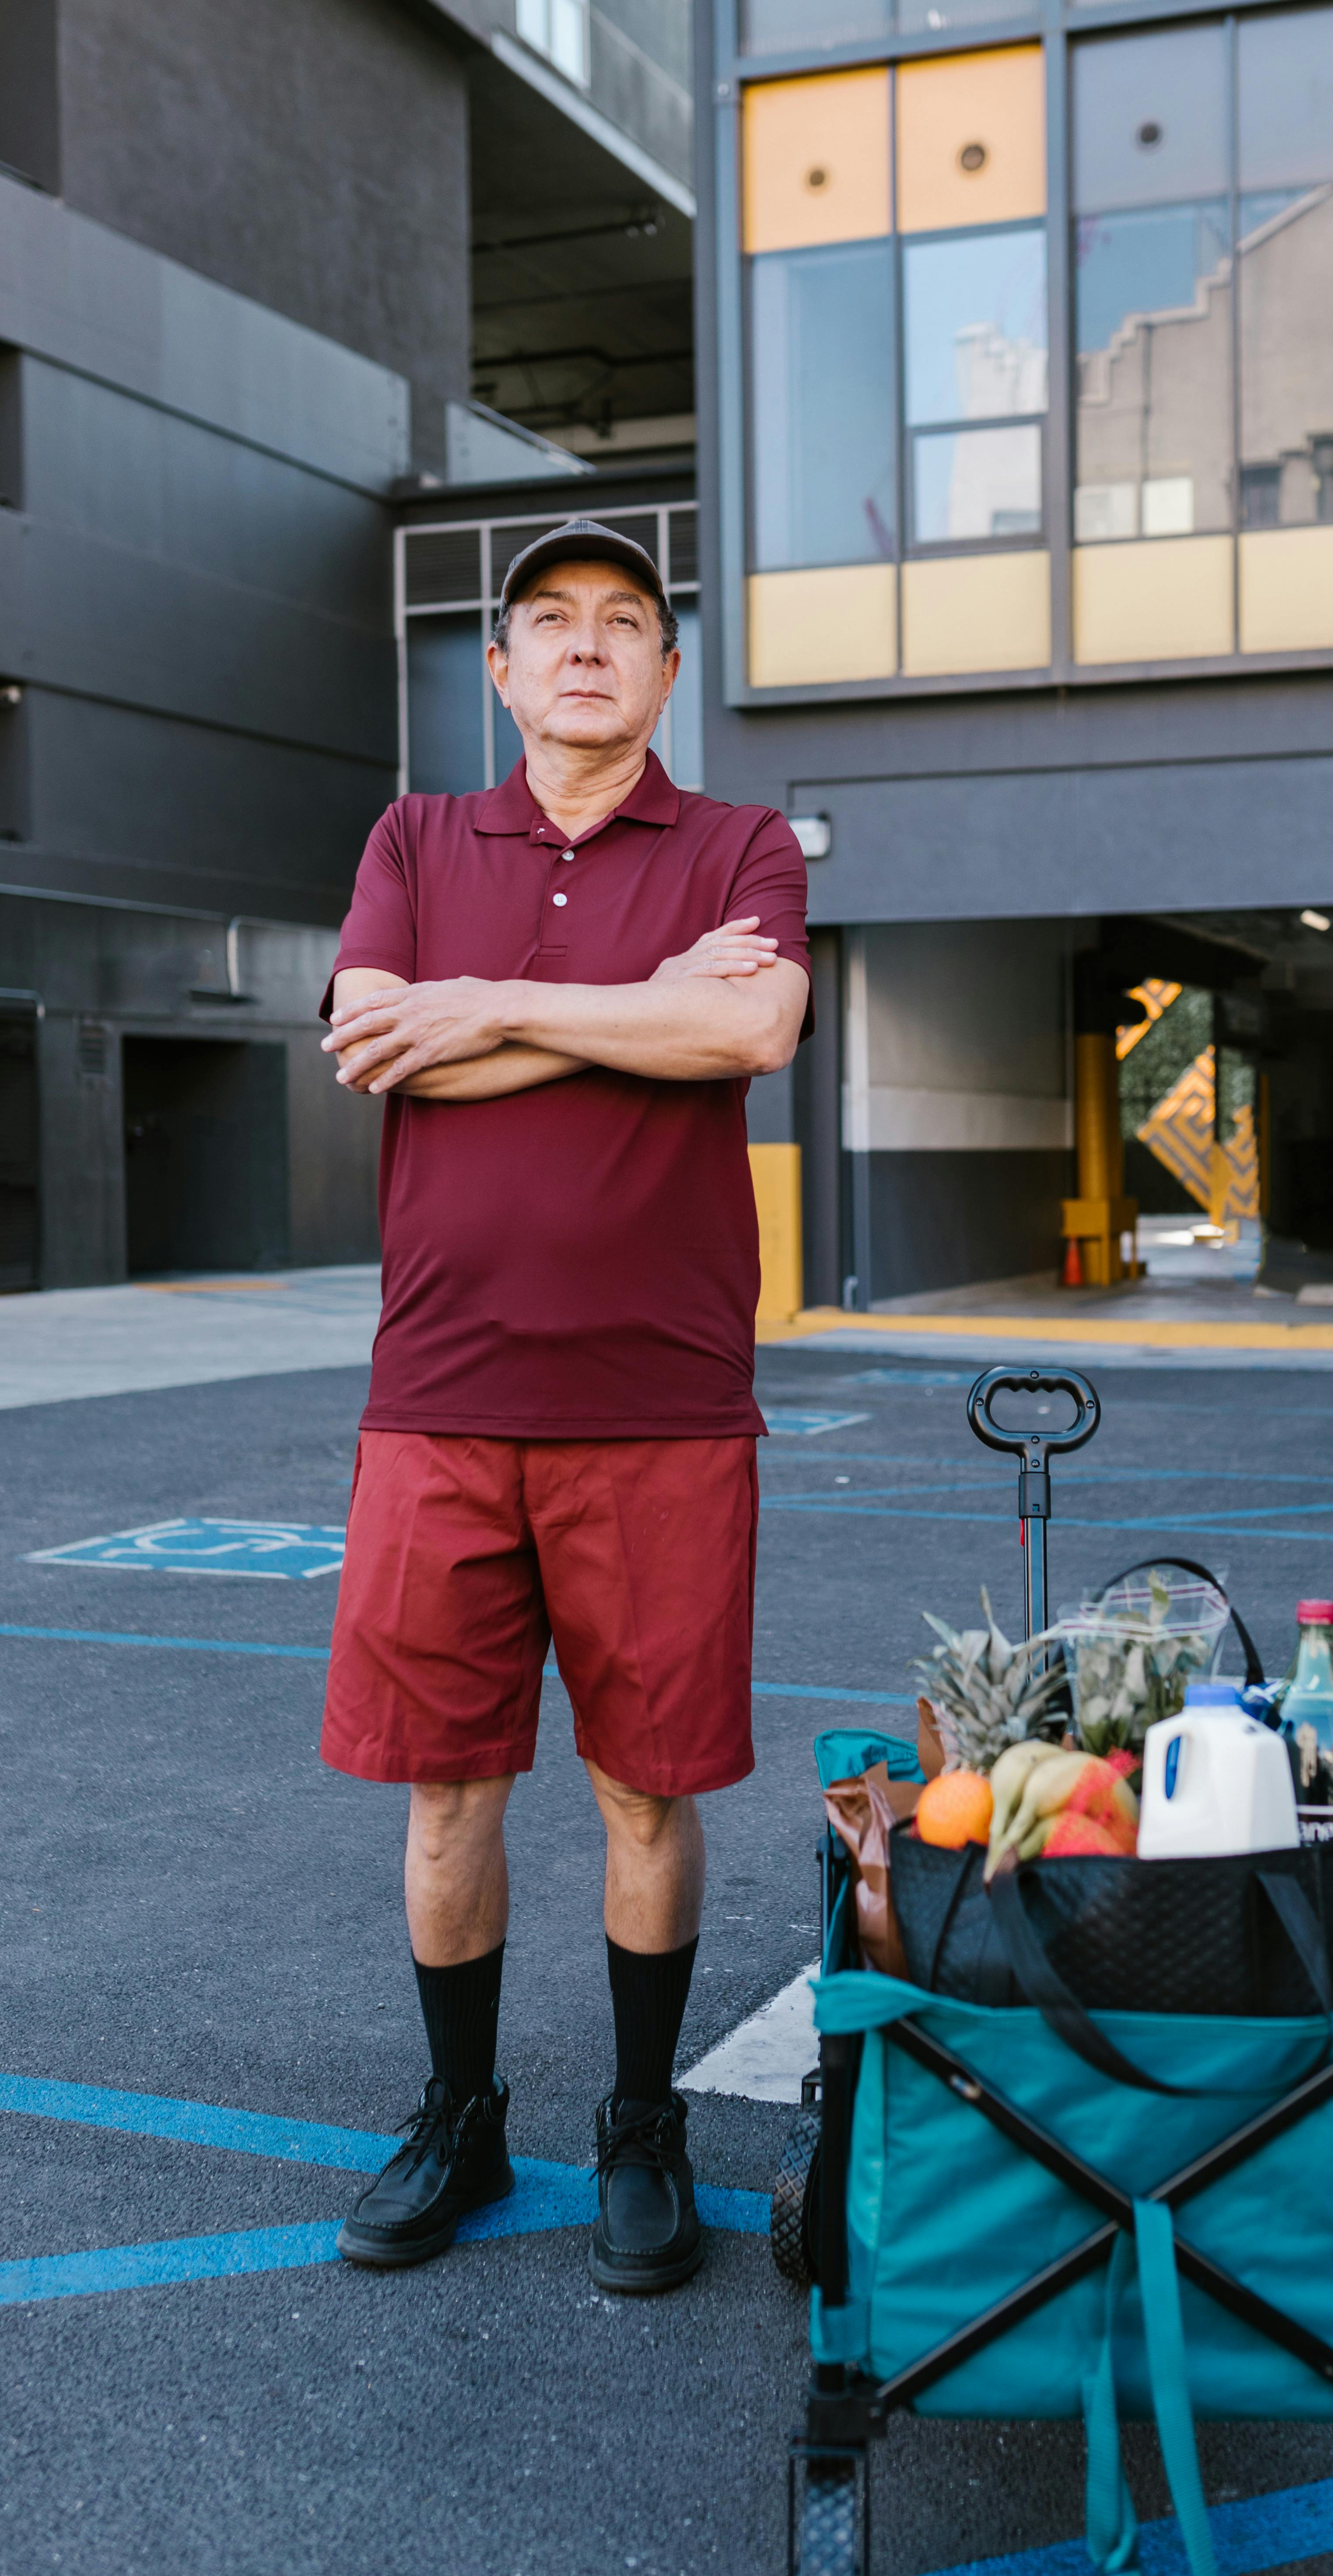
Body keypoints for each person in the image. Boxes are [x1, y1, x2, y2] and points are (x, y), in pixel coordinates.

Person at [317, 516, 810, 2293]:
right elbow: (374, 1036)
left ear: (668, 676)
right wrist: (635, 1006)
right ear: (506, 672)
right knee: (446, 1792)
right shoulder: (416, 837)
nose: (588, 646)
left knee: (644, 1793)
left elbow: (751, 1035)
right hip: (439, 1398)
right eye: (552, 624)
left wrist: (494, 1006)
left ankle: (641, 2121)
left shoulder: (742, 842)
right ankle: (461, 2114)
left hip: (663, 1406)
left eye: (626, 623)